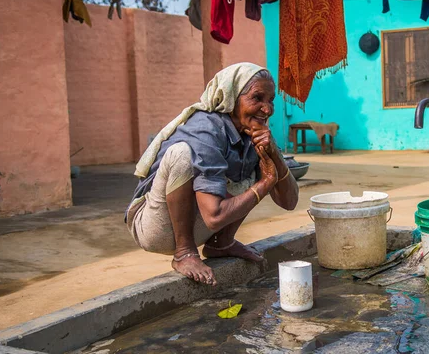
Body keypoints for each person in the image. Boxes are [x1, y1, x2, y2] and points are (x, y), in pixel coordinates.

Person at [126, 63, 299, 286]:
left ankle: (221, 243)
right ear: (231, 97)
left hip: (201, 226)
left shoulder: (254, 131)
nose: (267, 109)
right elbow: (214, 216)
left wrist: (273, 153)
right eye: (257, 98)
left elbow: (290, 201)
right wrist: (265, 182)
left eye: (270, 100)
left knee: (258, 159)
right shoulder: (205, 127)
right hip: (154, 227)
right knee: (181, 154)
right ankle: (184, 252)